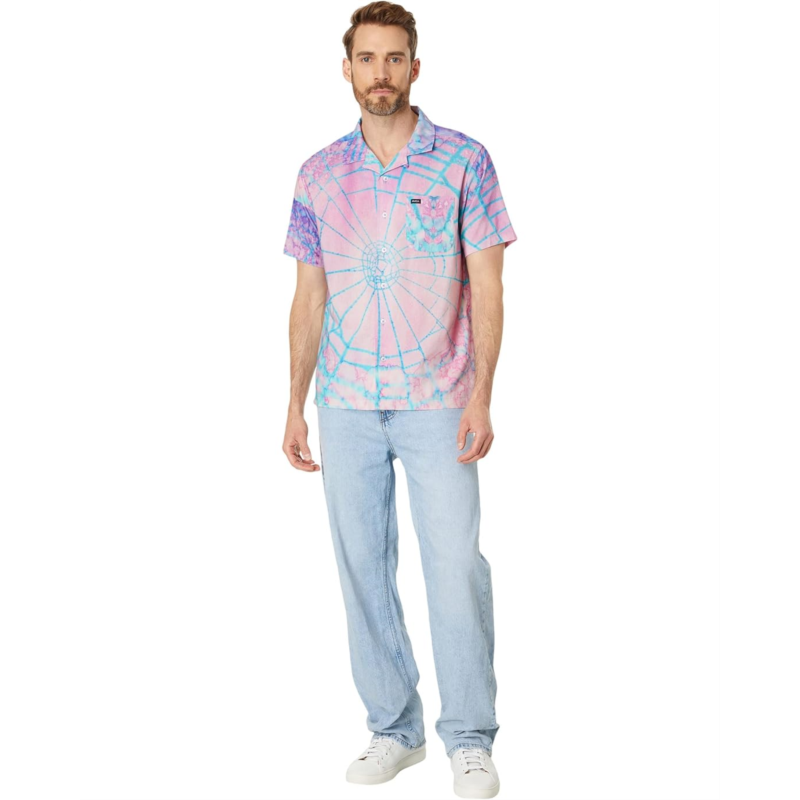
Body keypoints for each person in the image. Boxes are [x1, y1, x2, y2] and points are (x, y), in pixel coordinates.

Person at [281, 3, 517, 797]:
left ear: (415, 67)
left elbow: (489, 284)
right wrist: (294, 402)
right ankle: (394, 728)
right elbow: (308, 295)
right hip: (345, 401)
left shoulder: (464, 161)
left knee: (454, 566)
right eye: (366, 58)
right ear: (345, 69)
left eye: (393, 58)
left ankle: (470, 738)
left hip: (439, 398)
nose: (379, 73)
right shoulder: (318, 173)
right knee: (361, 568)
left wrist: (482, 395)